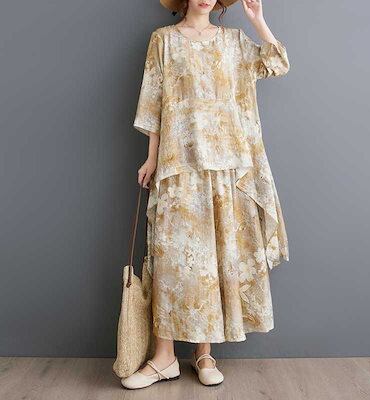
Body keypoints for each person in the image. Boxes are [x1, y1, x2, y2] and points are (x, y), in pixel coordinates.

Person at [121, 0, 290, 389]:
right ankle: (164, 357)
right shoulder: (163, 40)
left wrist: (258, 20)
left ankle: (204, 353)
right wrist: (152, 157)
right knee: (170, 260)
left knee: (212, 259)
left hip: (225, 165)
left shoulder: (233, 41)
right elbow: (153, 99)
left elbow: (277, 63)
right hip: (178, 162)